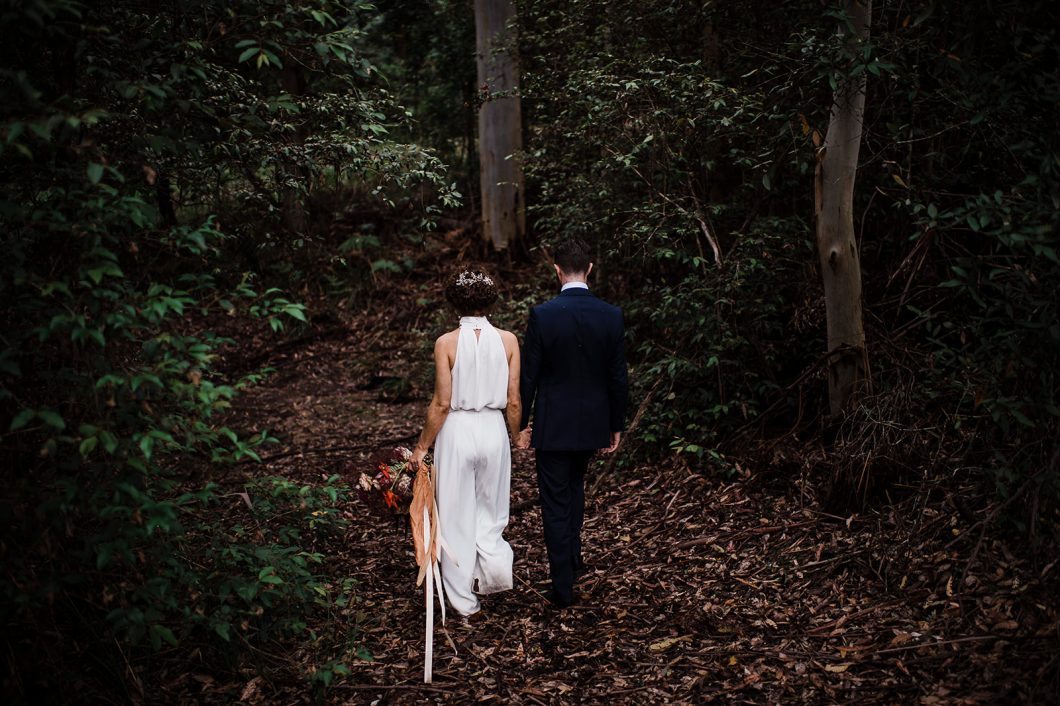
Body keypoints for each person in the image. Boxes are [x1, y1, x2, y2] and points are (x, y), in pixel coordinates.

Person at [517, 238, 629, 608]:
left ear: (557, 270)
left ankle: (562, 586)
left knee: (555, 501)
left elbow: (529, 376)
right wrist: (615, 423)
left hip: (553, 424)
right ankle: (573, 557)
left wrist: (520, 422)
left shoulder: (543, 315)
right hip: (592, 422)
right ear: (590, 269)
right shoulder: (611, 315)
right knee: (575, 488)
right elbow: (617, 377)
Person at [410, 268, 522, 618]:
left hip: (457, 431)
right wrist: (517, 436)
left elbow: (442, 403)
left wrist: (422, 446)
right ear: (491, 301)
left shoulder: (446, 343)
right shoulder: (508, 340)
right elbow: (514, 400)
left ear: (453, 302)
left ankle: (463, 601)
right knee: (492, 510)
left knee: (456, 513)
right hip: (493, 429)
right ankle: (495, 573)